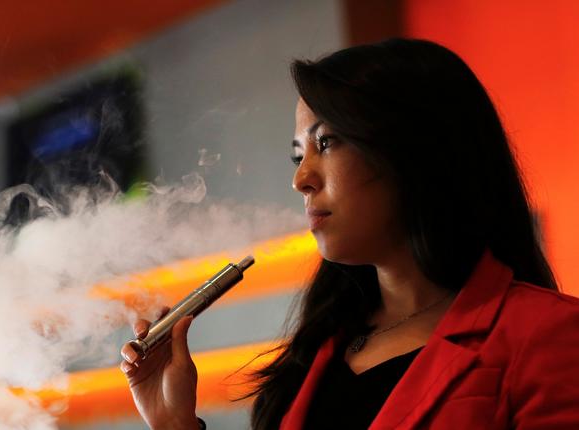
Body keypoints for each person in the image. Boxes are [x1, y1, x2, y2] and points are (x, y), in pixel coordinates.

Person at [119, 38, 579, 429]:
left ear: (415, 150)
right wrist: (176, 423)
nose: (302, 179)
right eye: (298, 154)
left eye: (327, 142)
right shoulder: (313, 356)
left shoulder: (548, 335)